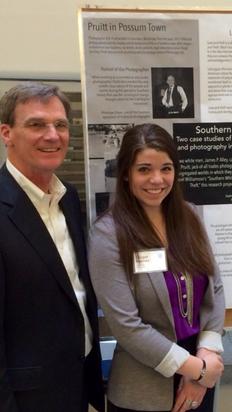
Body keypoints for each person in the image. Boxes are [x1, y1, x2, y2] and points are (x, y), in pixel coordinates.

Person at [88, 123, 225, 412]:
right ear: (126, 173)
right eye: (144, 169)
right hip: (143, 390)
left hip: (200, 375)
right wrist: (195, 369)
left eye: (166, 168)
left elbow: (216, 289)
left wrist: (207, 354)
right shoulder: (107, 234)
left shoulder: (189, 216)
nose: (157, 179)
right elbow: (126, 325)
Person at [0, 82, 105, 412]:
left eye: (60, 125)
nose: (52, 135)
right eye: (36, 124)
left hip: (75, 382)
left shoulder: (68, 198)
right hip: (25, 397)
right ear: (7, 133)